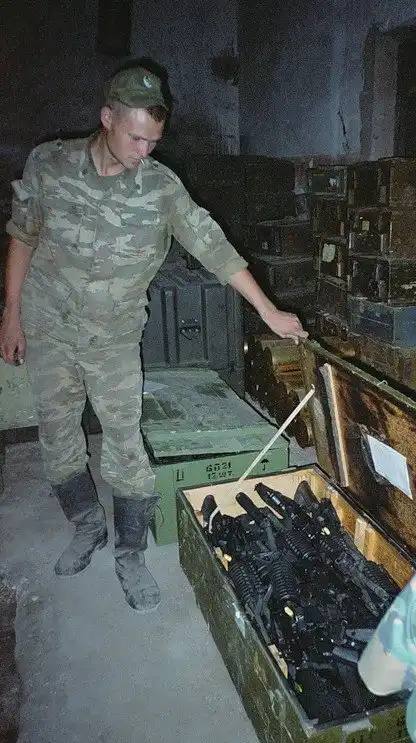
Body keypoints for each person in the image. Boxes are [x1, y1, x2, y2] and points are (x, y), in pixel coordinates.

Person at [0, 65, 307, 613]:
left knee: (125, 440)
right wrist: (11, 315)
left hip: (114, 336)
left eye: (153, 141)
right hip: (48, 324)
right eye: (135, 138)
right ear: (107, 118)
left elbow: (213, 247)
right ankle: (86, 525)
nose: (144, 151)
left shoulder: (161, 187)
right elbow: (23, 236)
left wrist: (268, 310)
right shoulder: (50, 164)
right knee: (57, 431)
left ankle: (131, 552)